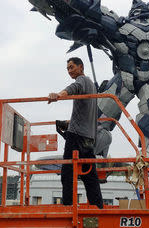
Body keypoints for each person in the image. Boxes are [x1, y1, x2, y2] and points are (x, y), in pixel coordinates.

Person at [48, 57, 103, 209]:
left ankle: (68, 207)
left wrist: (58, 95)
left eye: (72, 67)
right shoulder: (91, 85)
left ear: (81, 67)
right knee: (89, 175)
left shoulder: (82, 81)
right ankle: (98, 206)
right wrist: (68, 123)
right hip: (88, 138)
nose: (69, 71)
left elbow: (73, 88)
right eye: (67, 68)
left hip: (77, 136)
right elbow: (84, 114)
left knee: (67, 173)